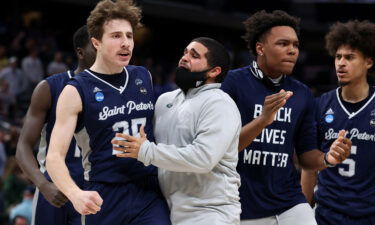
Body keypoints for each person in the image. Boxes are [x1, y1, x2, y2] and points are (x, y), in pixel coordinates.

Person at [220, 10, 352, 225]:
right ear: (260, 48)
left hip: (289, 201)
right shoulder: (231, 84)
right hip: (241, 204)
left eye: (296, 45)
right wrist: (263, 120)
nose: (292, 51)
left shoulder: (302, 93)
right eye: (283, 44)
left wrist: (329, 158)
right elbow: (223, 148)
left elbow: (306, 157)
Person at [46, 1, 171, 225]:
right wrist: (75, 194)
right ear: (96, 42)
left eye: (129, 36)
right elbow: (54, 157)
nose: (126, 44)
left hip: (148, 190)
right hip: (104, 194)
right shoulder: (75, 90)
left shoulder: (144, 76)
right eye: (115, 36)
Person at [112, 37, 242, 225]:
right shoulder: (165, 100)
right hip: (167, 210)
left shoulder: (220, 104)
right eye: (185, 52)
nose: (185, 58)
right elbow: (147, 144)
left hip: (210, 213)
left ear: (214, 71)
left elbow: (203, 159)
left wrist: (146, 151)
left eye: (194, 55)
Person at [15, 25, 96, 225]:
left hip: (94, 190)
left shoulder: (117, 92)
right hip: (55, 189)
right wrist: (43, 185)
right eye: (97, 45)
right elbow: (23, 146)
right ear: (81, 52)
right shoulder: (49, 88)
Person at [301, 20, 375, 225]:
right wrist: (304, 210)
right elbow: (309, 166)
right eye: (338, 57)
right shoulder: (320, 105)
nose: (341, 63)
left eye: (349, 57)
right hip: (327, 215)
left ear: (368, 62)